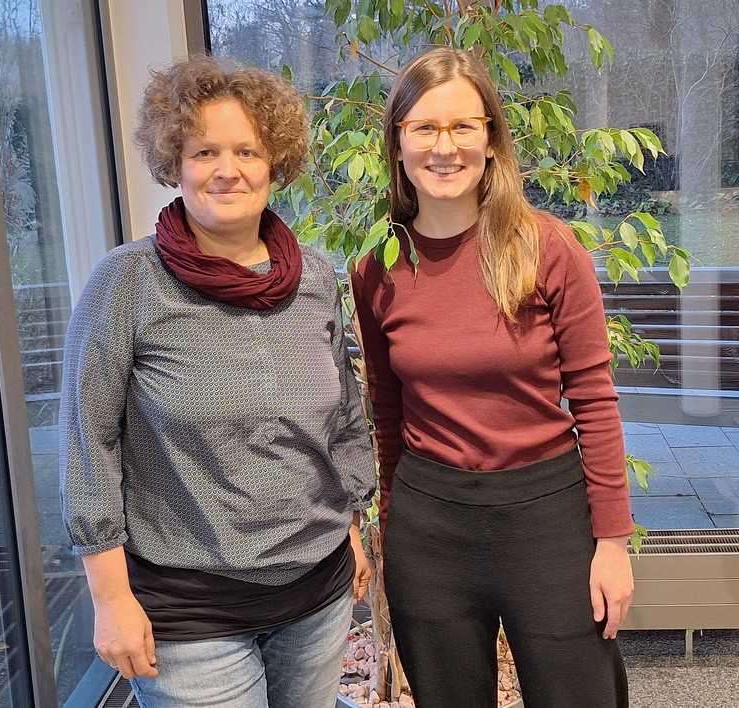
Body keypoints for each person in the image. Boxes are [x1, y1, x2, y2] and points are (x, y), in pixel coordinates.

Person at [59, 55, 376, 708]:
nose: (227, 170)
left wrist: (348, 524)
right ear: (175, 161)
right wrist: (111, 597)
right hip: (189, 613)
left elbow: (341, 415)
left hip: (316, 594)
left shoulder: (315, 278)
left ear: (275, 163)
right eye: (205, 150)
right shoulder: (128, 282)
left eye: (247, 151)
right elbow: (87, 442)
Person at [351, 47, 634, 708]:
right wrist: (393, 530)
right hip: (431, 525)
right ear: (397, 144)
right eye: (424, 128)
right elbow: (387, 415)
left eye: (461, 127)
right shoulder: (378, 271)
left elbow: (594, 400)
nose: (443, 146)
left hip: (547, 518)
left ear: (490, 141)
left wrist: (614, 544)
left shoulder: (547, 247)